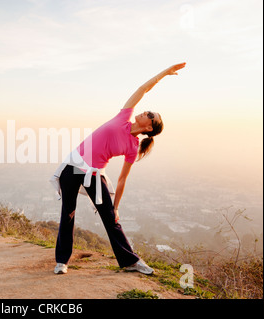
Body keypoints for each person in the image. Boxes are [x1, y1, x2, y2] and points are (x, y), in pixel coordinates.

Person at [50, 62, 186, 275]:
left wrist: (117, 207)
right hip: (73, 166)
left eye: (149, 113)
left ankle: (131, 261)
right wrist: (164, 74)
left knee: (110, 219)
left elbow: (122, 179)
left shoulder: (133, 148)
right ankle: (62, 261)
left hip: (94, 175)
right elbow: (142, 89)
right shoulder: (124, 117)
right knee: (68, 213)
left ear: (149, 127)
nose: (145, 111)